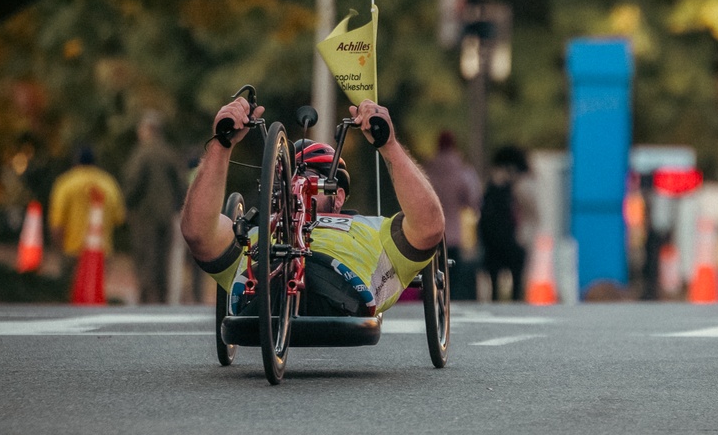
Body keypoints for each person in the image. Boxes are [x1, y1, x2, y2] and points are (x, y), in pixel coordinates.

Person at [180, 95, 445, 320]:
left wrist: (388, 145)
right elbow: (197, 233)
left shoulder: (374, 229)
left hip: (340, 286)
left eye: (313, 178)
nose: (298, 183)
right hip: (261, 286)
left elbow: (429, 227)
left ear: (338, 196)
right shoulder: (251, 232)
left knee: (314, 275)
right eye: (286, 178)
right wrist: (221, 145)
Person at [123, 111, 186, 304]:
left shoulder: (142, 153)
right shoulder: (169, 153)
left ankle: (145, 297)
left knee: (145, 256)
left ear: (148, 130)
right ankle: (163, 299)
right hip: (166, 215)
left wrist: (127, 204)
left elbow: (133, 183)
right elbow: (181, 185)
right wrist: (176, 207)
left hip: (145, 215)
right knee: (162, 258)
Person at [47, 148, 126, 284]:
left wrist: (58, 249)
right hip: (101, 252)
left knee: (71, 294)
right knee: (94, 294)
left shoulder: (66, 183)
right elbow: (119, 218)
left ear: (75, 162)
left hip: (72, 250)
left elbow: (57, 223)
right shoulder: (108, 183)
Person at [425, 131, 481, 301]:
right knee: (453, 276)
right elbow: (472, 200)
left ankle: (434, 301)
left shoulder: (428, 170)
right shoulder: (462, 171)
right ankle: (449, 303)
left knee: (432, 271)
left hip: (430, 231)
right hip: (454, 233)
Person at [479, 146, 529, 301]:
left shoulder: (490, 189)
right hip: (508, 237)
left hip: (493, 239)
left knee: (494, 279)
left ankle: (498, 300)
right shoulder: (512, 189)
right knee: (516, 275)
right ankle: (515, 300)